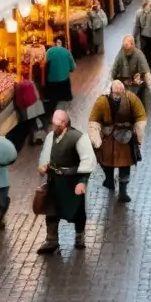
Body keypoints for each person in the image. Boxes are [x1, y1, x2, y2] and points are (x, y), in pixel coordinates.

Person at [36, 109, 98, 254]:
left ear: (64, 124)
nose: (53, 127)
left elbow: (88, 161)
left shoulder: (78, 138)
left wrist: (82, 181)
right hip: (54, 181)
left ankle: (79, 237)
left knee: (77, 210)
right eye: (53, 124)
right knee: (51, 210)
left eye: (56, 125)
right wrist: (43, 166)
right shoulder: (51, 136)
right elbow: (45, 155)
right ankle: (52, 240)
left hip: (72, 182)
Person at [90, 80, 147, 203]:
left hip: (124, 137)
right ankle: (110, 180)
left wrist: (138, 134)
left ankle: (122, 191)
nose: (119, 94)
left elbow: (140, 117)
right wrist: (96, 139)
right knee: (106, 161)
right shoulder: (102, 101)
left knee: (123, 165)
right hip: (109, 136)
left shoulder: (131, 98)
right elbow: (94, 120)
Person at [110, 34, 151, 101]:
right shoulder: (121, 54)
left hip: (136, 84)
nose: (126, 51)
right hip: (124, 83)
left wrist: (149, 83)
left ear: (133, 45)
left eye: (128, 48)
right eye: (125, 47)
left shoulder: (138, 54)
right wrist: (112, 82)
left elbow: (146, 70)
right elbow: (113, 70)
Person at [43, 36, 76, 116]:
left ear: (54, 43)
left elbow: (44, 64)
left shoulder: (49, 51)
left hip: (52, 83)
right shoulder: (66, 52)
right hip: (64, 83)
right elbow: (73, 68)